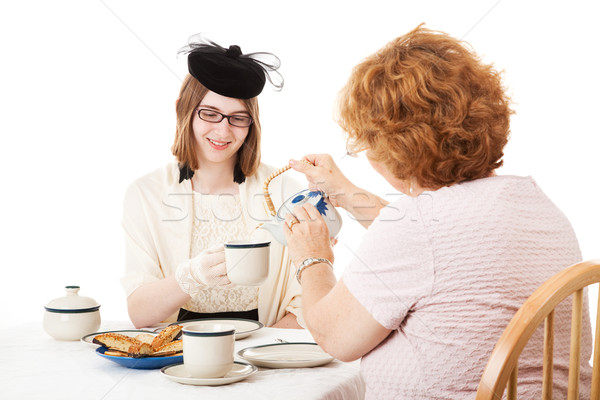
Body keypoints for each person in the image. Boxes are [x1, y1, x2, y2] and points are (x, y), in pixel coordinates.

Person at [282, 25, 593, 398]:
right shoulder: (537, 206)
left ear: (394, 146)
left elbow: (334, 336)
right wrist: (348, 194)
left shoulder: (419, 228)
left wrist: (312, 259)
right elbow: (437, 253)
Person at [121, 35, 303, 329]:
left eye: (237, 118)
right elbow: (140, 313)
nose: (223, 131)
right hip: (179, 353)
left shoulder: (283, 190)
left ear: (251, 124)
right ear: (183, 109)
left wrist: (254, 355)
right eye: (209, 113)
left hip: (267, 351)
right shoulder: (144, 194)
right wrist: (191, 276)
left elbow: (307, 305)